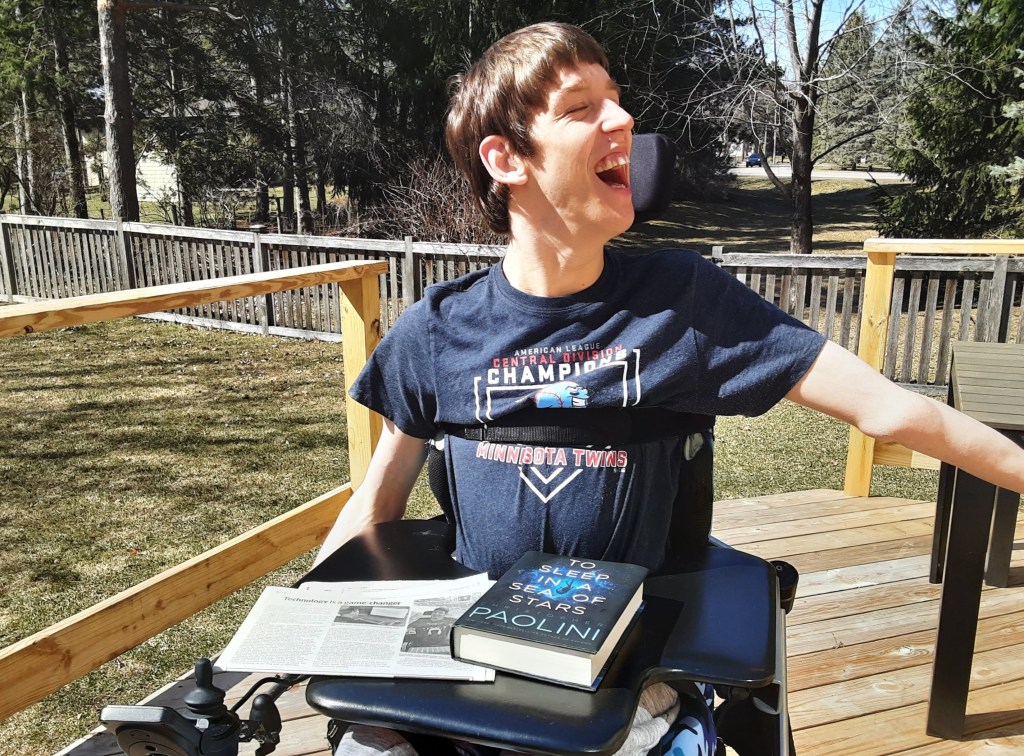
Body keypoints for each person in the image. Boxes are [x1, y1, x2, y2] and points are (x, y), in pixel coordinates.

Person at [316, 22, 1024, 756]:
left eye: (618, 101)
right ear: (506, 157)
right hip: (461, 679)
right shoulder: (436, 331)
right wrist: (296, 628)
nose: (623, 121)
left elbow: (891, 409)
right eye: (581, 106)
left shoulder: (683, 304)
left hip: (629, 683)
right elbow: (376, 511)